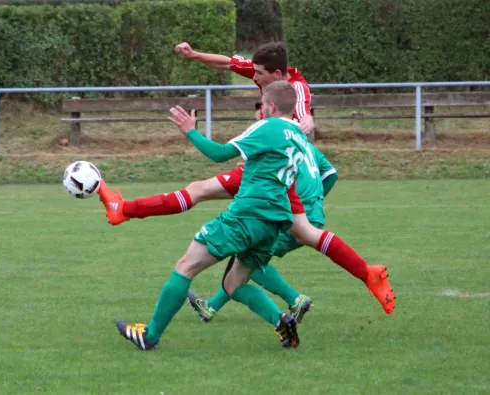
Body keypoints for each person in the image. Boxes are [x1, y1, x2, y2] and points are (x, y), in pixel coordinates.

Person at [100, 41, 396, 315]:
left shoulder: (295, 89)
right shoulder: (266, 81)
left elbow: (303, 116)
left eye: (259, 74)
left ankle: (124, 211)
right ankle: (366, 274)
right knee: (303, 232)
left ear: (277, 75)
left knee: (203, 195)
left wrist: (308, 121)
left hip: (271, 171)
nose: (253, 77)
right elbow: (228, 63)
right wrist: (195, 55)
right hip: (282, 173)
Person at [116, 81, 312, 351]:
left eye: (262, 106)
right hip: (274, 223)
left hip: (247, 216)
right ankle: (282, 321)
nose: (261, 111)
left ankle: (150, 336)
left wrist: (190, 132)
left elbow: (219, 154)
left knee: (186, 266)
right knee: (235, 283)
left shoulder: (268, 126)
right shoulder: (301, 138)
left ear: (271, 106)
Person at [188, 141, 338, 324]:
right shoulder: (308, 147)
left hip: (293, 218)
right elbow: (331, 174)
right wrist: (315, 201)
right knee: (245, 258)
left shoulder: (285, 145)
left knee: (251, 261)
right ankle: (210, 308)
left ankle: (295, 300)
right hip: (311, 218)